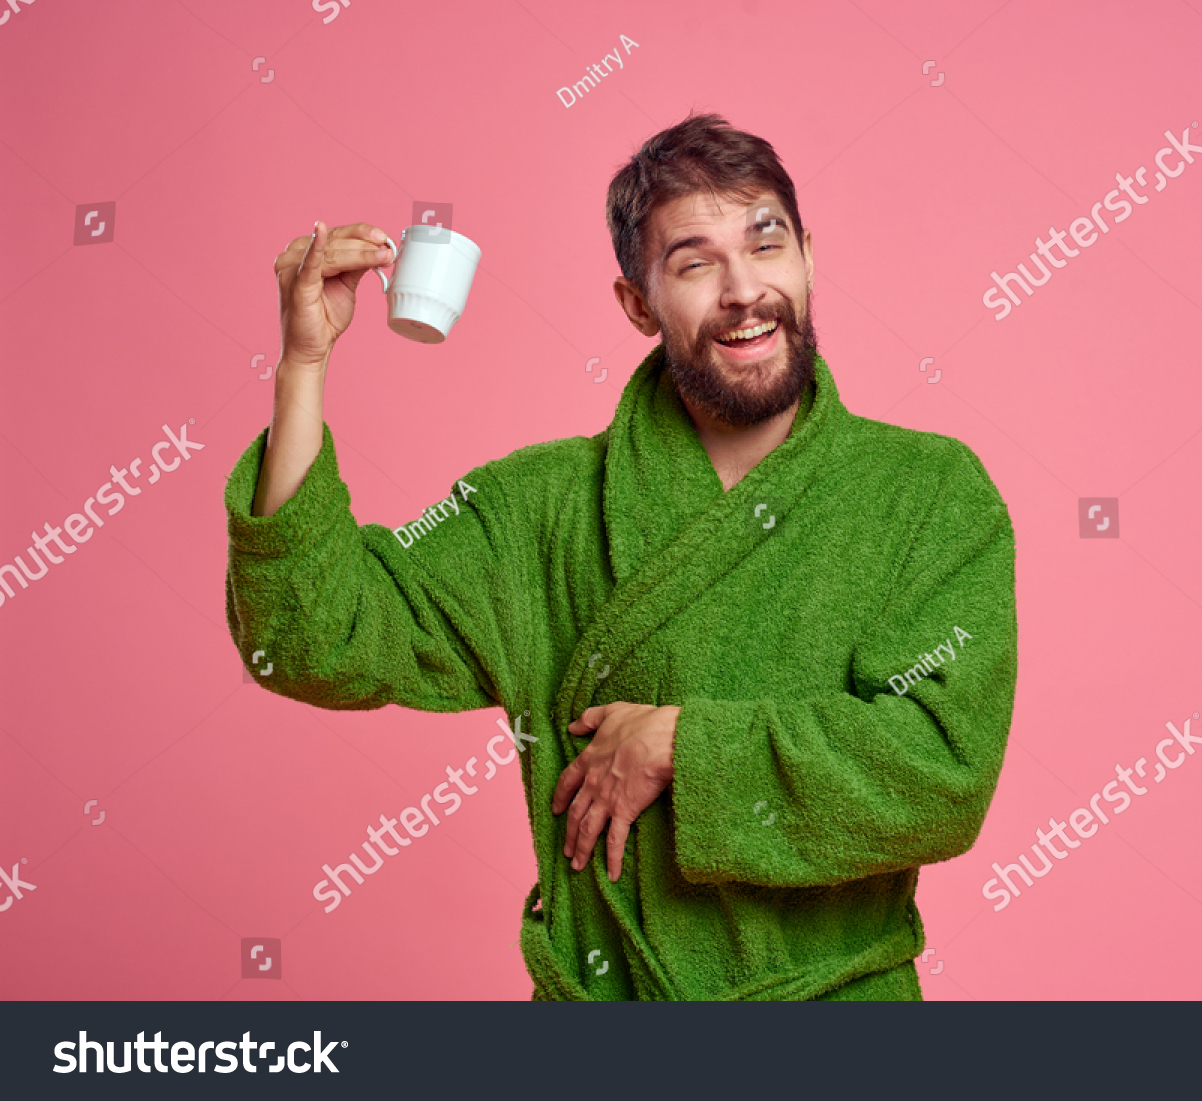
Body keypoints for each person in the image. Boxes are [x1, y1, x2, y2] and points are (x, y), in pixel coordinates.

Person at [225, 112, 1018, 1000]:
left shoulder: (928, 492)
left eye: (767, 244)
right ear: (637, 303)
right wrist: (303, 366)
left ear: (806, 257)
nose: (743, 289)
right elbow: (309, 636)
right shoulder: (543, 509)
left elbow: (943, 772)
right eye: (694, 263)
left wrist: (686, 745)